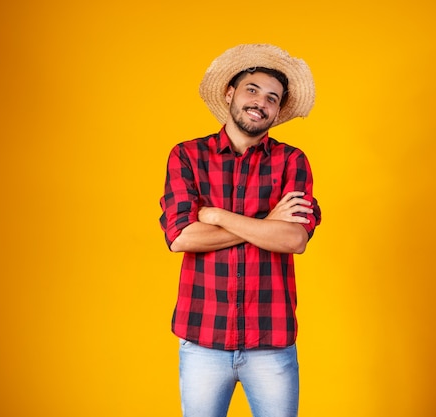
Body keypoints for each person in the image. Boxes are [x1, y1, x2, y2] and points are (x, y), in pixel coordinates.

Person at [159, 43, 321, 417]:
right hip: (202, 339)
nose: (260, 102)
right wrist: (266, 224)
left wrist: (215, 215)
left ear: (277, 111)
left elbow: (294, 239)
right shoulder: (187, 156)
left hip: (272, 340)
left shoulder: (291, 161)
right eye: (252, 89)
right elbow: (182, 237)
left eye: (272, 98)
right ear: (230, 93)